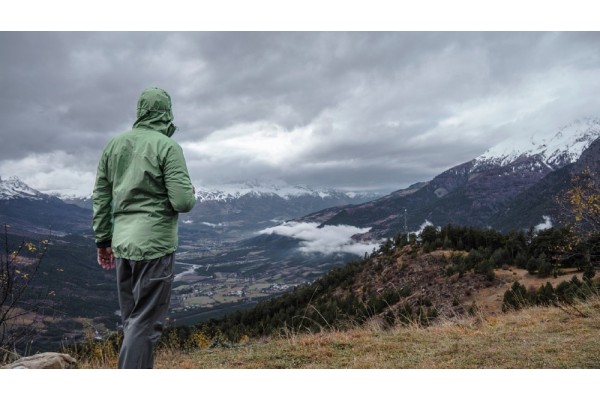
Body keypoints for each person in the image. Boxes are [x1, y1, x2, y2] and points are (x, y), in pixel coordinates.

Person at [92, 87, 196, 368]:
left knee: (133, 321)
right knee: (145, 325)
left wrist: (103, 241)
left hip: (123, 245)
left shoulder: (113, 146)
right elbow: (183, 202)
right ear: (167, 113)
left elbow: (101, 197)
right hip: (154, 247)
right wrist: (191, 191)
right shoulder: (167, 147)